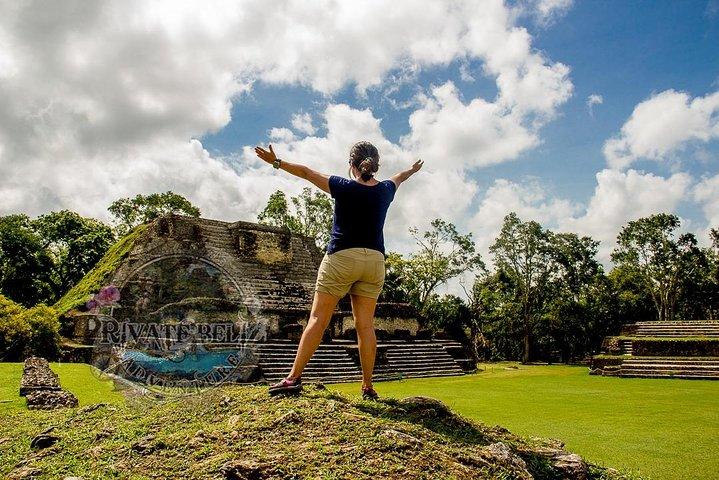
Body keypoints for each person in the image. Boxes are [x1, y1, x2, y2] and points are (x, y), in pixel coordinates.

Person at [254, 141, 423, 399]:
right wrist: (411, 171)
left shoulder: (344, 186)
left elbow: (307, 173)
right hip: (375, 262)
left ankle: (293, 378)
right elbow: (399, 177)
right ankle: (367, 387)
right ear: (375, 165)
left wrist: (276, 162)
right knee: (365, 326)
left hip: (343, 257)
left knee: (318, 319)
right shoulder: (386, 189)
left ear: (351, 165)